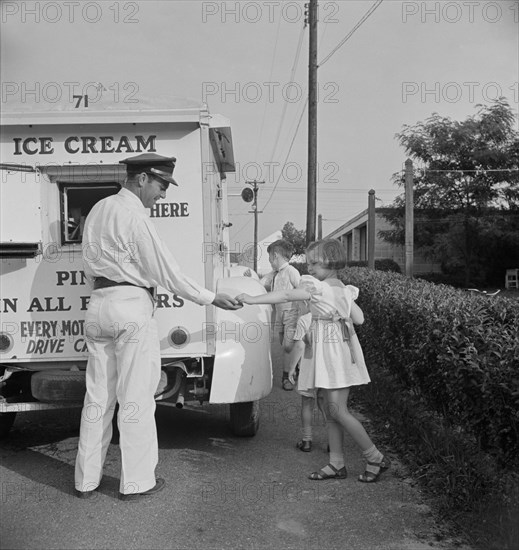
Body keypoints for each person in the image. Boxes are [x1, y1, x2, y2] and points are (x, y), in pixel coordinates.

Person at [75, 153, 242, 501]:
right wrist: (211, 297)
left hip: (98, 304)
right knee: (135, 397)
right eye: (161, 185)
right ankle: (136, 482)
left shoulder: (98, 210)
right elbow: (167, 272)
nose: (163, 194)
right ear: (141, 179)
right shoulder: (135, 216)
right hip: (131, 306)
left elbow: (88, 263)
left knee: (97, 397)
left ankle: (85, 481)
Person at [237, 239, 390, 482]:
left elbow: (287, 293)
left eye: (315, 263)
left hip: (332, 353)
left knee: (338, 411)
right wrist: (338, 313)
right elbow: (359, 319)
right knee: (332, 411)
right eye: (308, 262)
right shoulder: (343, 288)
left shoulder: (317, 287)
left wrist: (253, 299)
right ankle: (336, 464)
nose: (310, 268)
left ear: (331, 262)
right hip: (340, 350)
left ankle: (375, 457)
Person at [260, 240, 301, 391]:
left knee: (288, 347)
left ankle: (287, 377)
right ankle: (296, 365)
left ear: (275, 255)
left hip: (291, 313)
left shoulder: (291, 272)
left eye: (270, 258)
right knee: (284, 343)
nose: (270, 261)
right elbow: (262, 282)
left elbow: (301, 289)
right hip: (280, 314)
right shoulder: (275, 274)